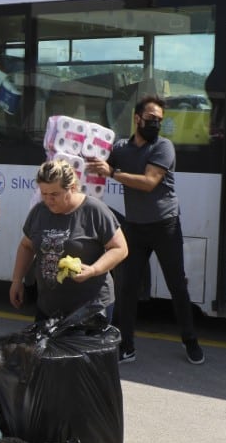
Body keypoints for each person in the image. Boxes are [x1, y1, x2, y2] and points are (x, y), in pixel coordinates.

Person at [87, 94, 204, 365]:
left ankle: (191, 341)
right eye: (151, 119)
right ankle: (125, 346)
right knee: (127, 289)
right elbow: (98, 159)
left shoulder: (163, 147)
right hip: (135, 228)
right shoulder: (121, 149)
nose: (155, 124)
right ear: (137, 118)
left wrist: (112, 173)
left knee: (177, 285)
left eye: (159, 120)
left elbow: (149, 182)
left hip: (166, 226)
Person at [9, 159, 127, 323]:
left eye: (55, 194)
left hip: (90, 309)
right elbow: (26, 246)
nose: (49, 200)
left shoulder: (93, 210)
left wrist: (93, 270)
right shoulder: (39, 211)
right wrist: (17, 281)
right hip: (48, 308)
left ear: (72, 188)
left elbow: (120, 248)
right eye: (44, 194)